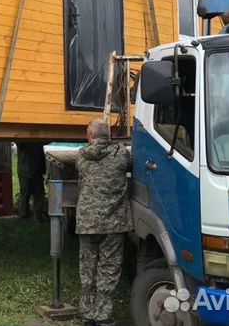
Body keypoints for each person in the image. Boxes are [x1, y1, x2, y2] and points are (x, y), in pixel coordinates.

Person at [76, 119, 132, 326]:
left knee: (87, 267)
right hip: (113, 223)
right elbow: (132, 164)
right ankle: (103, 315)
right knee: (108, 267)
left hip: (87, 222)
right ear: (108, 136)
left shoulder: (81, 157)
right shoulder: (121, 155)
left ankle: (88, 314)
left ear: (90, 136)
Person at [17, 142, 46, 220]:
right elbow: (19, 143)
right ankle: (24, 216)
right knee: (25, 194)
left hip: (35, 170)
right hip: (25, 171)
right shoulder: (22, 138)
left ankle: (38, 216)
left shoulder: (39, 139)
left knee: (38, 194)